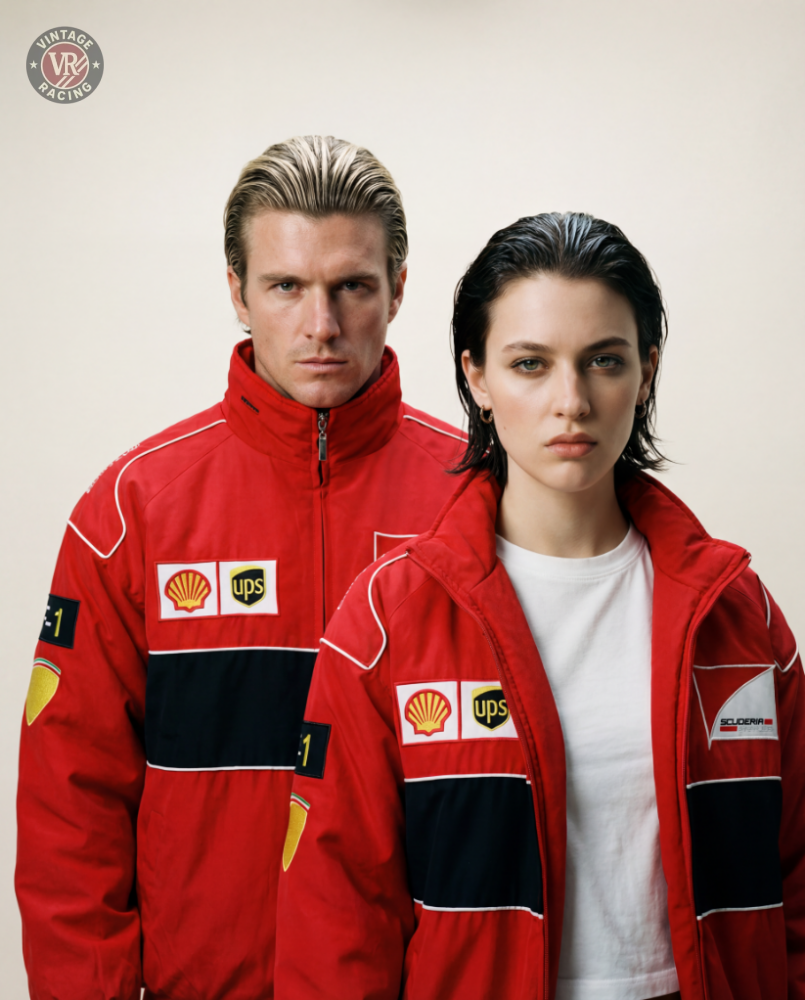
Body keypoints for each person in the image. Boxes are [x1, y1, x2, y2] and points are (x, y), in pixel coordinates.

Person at [275, 213, 804, 1000]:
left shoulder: (738, 613)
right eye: (529, 364)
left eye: (603, 361)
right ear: (477, 378)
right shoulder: (386, 622)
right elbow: (336, 918)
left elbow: (794, 880)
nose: (572, 401)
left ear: (646, 371)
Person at [16, 136, 465, 1000]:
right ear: (237, 292)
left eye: (353, 287)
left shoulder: (482, 510)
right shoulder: (129, 514)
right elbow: (70, 814)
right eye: (287, 286)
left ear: (398, 290)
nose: (321, 324)